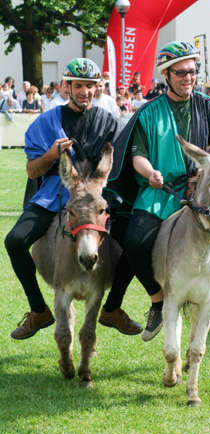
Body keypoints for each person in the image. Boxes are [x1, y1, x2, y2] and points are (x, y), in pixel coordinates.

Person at [98, 41, 210, 342]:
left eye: (193, 71)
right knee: (134, 241)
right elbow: (137, 156)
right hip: (162, 193)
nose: (189, 77)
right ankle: (157, 300)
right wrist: (151, 172)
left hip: (207, 193)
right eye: (181, 72)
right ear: (166, 75)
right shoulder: (149, 114)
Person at [5, 57, 141, 340]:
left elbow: (122, 165)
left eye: (90, 86)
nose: (84, 92)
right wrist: (53, 154)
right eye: (78, 86)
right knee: (15, 241)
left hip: (98, 198)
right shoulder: (47, 122)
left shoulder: (109, 122)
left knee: (136, 241)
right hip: (54, 196)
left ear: (97, 87)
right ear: (67, 87)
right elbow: (33, 171)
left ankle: (112, 308)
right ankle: (39, 311)